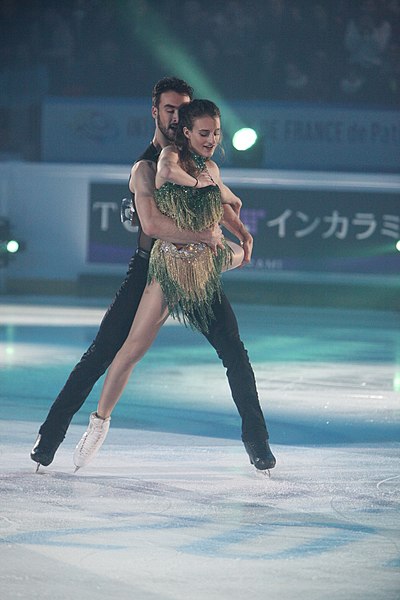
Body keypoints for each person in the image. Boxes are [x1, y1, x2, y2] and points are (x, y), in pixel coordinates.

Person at [31, 76, 275, 473]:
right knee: (104, 352)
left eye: (184, 110)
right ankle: (53, 436)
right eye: (170, 109)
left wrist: (239, 232)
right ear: (156, 112)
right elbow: (154, 224)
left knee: (233, 350)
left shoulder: (201, 158)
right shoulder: (148, 166)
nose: (177, 117)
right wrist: (205, 234)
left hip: (199, 267)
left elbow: (222, 197)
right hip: (152, 268)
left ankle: (257, 441)